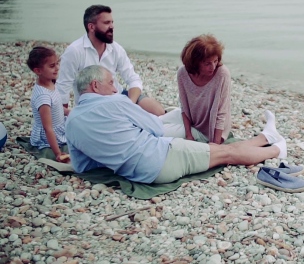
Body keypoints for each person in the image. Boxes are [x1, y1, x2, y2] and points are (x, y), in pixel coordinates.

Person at [65, 65, 287, 184]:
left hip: (137, 172)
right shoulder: (115, 101)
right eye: (111, 82)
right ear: (95, 85)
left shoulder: (72, 122)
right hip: (163, 158)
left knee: (221, 150)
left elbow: (83, 166)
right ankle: (278, 148)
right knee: (226, 152)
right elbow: (154, 127)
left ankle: (266, 137)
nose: (115, 88)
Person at [56, 4, 165, 116]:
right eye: (106, 23)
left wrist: (130, 104)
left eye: (112, 22)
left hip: (118, 96)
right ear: (91, 27)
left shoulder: (116, 49)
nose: (112, 26)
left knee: (158, 111)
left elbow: (133, 79)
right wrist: (64, 117)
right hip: (91, 104)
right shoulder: (74, 51)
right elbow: (63, 86)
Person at [161, 34, 231, 143]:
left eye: (215, 61)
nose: (212, 67)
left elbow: (221, 113)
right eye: (207, 63)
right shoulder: (183, 73)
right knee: (150, 122)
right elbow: (184, 107)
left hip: (206, 131)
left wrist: (216, 145)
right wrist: (188, 135)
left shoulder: (222, 74)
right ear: (195, 63)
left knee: (157, 131)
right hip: (189, 118)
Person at [26, 46, 69, 162]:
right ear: (38, 71)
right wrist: (58, 153)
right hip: (48, 137)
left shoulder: (50, 82)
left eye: (57, 64)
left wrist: (68, 112)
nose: (57, 68)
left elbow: (56, 108)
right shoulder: (43, 97)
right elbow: (47, 128)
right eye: (52, 66)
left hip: (59, 126)